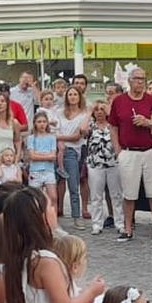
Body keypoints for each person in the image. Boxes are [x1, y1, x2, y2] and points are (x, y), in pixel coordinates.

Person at [109, 67, 152, 242]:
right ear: (129, 80)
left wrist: (149, 122)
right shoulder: (119, 101)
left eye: (143, 79)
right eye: (137, 79)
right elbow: (113, 127)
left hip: (150, 150)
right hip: (128, 152)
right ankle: (128, 229)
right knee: (129, 192)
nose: (140, 82)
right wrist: (117, 150)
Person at [84, 100, 122, 234]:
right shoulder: (91, 126)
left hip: (113, 163)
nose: (99, 112)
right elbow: (82, 130)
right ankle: (97, 224)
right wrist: (89, 112)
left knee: (116, 195)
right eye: (97, 109)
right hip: (95, 164)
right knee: (96, 196)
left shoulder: (113, 126)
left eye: (102, 109)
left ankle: (120, 223)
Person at [56, 86, 91, 228]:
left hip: (72, 152)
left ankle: (76, 217)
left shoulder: (84, 115)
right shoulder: (59, 113)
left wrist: (59, 137)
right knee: (54, 185)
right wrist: (60, 140)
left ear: (79, 96)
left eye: (75, 94)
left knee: (73, 186)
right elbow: (54, 130)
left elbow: (78, 136)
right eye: (69, 94)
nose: (72, 97)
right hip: (57, 150)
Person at [25, 111, 61, 210]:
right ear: (35, 123)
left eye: (44, 122)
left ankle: (53, 219)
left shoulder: (52, 138)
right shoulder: (31, 138)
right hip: (35, 171)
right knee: (35, 198)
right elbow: (32, 156)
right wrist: (46, 155)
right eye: (39, 122)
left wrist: (39, 154)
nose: (42, 124)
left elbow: (53, 156)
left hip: (49, 171)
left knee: (53, 197)